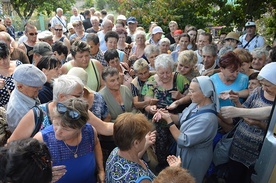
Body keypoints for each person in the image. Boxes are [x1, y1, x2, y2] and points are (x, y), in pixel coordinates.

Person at [7, 74, 113, 142]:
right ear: (62, 97)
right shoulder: (36, 114)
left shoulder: (78, 111)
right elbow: (12, 144)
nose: (82, 99)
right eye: (78, 96)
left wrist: (127, 125)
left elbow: (104, 128)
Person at [153, 76, 219, 183]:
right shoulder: (195, 104)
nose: (189, 94)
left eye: (192, 91)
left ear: (205, 93)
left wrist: (169, 121)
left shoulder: (208, 119)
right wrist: (165, 114)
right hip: (185, 153)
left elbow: (184, 140)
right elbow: (180, 118)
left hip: (195, 158)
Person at [223, 62, 276, 183]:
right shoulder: (258, 91)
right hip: (239, 146)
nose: (264, 88)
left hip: (258, 154)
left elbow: (270, 117)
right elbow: (244, 109)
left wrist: (259, 124)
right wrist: (238, 106)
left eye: (267, 85)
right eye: (262, 85)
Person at [34, 98, 104, 183]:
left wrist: (101, 170)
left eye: (66, 129)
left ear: (80, 128)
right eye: (56, 124)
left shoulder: (90, 131)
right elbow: (29, 172)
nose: (58, 131)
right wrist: (43, 178)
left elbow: (96, 143)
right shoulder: (42, 139)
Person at [142, 54, 190, 172]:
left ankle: (177, 168)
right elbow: (146, 103)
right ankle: (164, 170)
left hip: (177, 120)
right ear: (156, 71)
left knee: (176, 146)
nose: (165, 76)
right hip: (158, 122)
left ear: (172, 70)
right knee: (160, 148)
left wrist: (180, 98)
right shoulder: (151, 82)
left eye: (168, 72)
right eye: (161, 73)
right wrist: (151, 109)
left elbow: (191, 96)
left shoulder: (179, 79)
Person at [105, 112, 156, 182]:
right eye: (144, 137)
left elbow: (132, 158)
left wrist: (145, 143)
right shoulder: (141, 179)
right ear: (136, 143)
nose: (145, 138)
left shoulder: (115, 152)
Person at [99, 66, 135, 164]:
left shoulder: (125, 89)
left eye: (118, 79)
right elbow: (103, 122)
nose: (117, 82)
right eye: (112, 80)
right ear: (104, 82)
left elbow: (133, 108)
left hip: (133, 131)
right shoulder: (100, 97)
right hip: (114, 136)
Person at [6, 64, 47, 132]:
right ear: (20, 87)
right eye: (35, 87)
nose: (40, 88)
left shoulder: (25, 93)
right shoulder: (18, 111)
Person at [0, 41, 22, 107]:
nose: (2, 62)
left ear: (9, 53)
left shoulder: (19, 65)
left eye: (5, 58)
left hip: (21, 107)